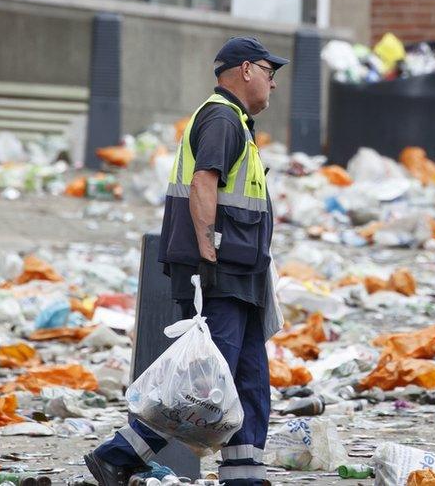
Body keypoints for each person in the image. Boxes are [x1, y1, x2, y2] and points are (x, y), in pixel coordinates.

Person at [84, 36, 287, 486]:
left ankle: (244, 476)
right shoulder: (221, 117)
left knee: (247, 382)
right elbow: (203, 183)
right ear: (247, 70)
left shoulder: (235, 121)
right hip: (223, 273)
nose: (273, 85)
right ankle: (118, 455)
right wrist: (207, 253)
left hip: (243, 274)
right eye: (270, 74)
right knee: (202, 383)